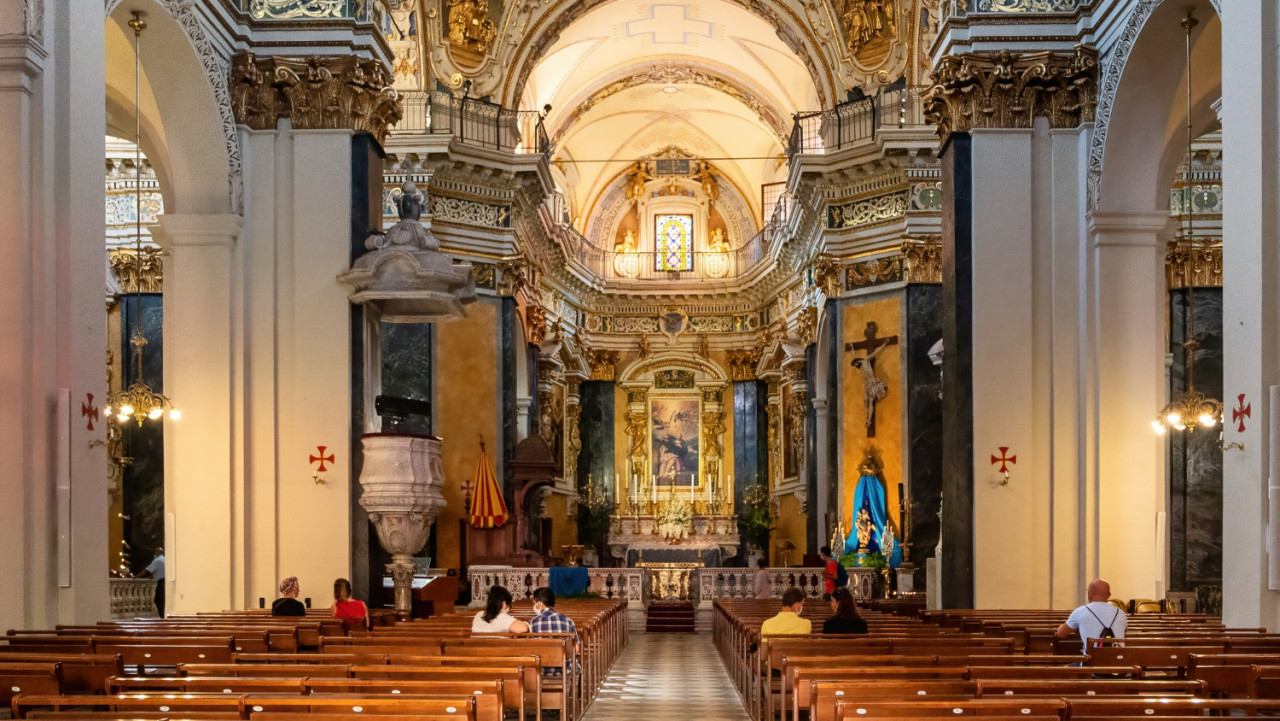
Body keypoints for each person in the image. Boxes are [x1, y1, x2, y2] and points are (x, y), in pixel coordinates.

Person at [1056, 578, 1127, 653]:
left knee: (1068, 665)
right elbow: (1124, 633)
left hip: (1092, 663)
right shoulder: (1121, 613)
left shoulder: (1080, 611)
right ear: (1109, 595)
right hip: (1119, 662)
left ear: (1089, 594)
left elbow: (1061, 633)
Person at [529, 587, 578, 675]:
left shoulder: (532, 623)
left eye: (534, 603)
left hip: (539, 671)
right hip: (564, 670)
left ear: (539, 604)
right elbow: (576, 649)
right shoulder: (568, 621)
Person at [135, 547, 165, 618]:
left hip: (161, 583)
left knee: (158, 600)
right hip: (167, 583)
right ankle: (164, 616)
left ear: (156, 553)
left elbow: (146, 570)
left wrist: (136, 576)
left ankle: (163, 617)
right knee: (163, 600)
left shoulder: (157, 560)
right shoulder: (165, 559)